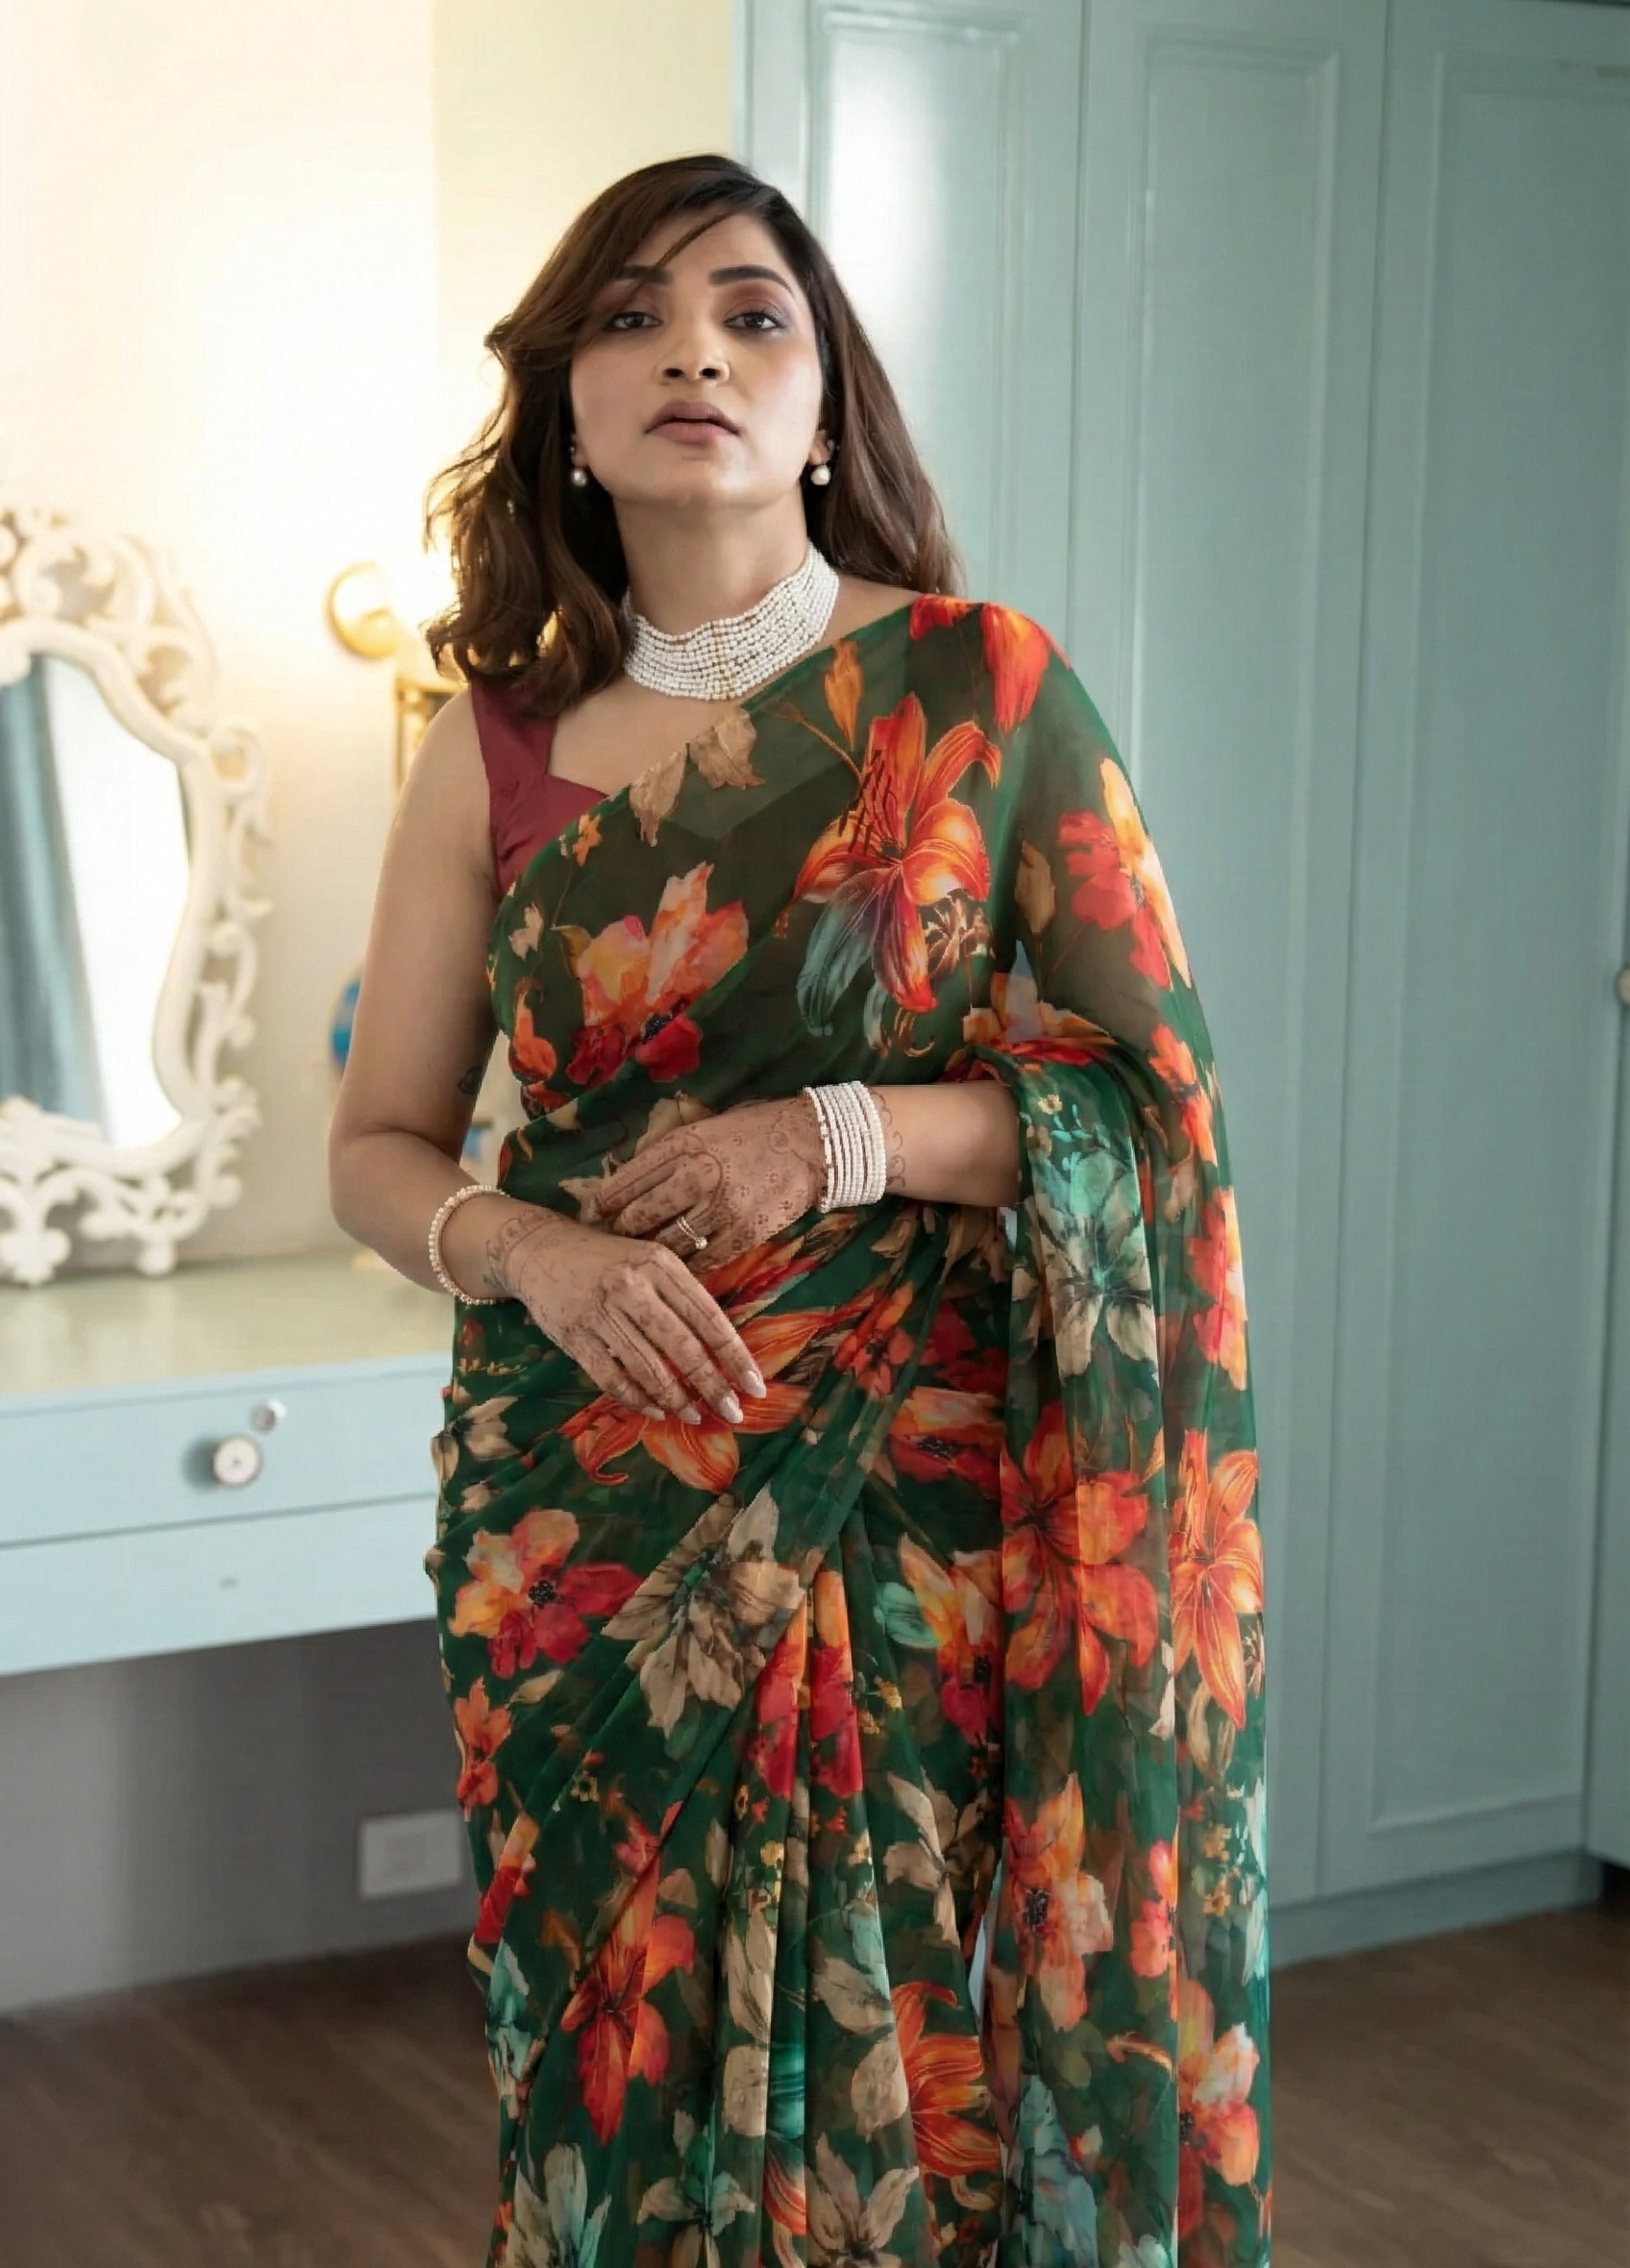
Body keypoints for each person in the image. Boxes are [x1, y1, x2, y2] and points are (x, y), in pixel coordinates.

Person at [329, 152, 1271, 2268]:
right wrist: (532, 1247)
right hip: (578, 1503)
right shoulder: (488, 745)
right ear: (562, 404)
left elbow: (1151, 1103)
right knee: (601, 2067)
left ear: (825, 403)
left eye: (752, 313)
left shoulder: (978, 691)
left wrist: (841, 1134)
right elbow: (383, 1139)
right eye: (634, 312)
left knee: (902, 2060)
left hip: (904, 1497)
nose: (693, 348)